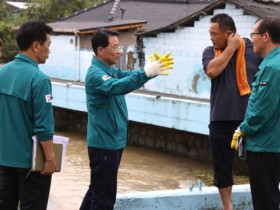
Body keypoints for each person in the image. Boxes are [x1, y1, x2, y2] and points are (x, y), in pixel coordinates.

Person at [79, 28, 173, 210]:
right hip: (104, 144)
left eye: (119, 46)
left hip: (112, 141)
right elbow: (118, 86)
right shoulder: (96, 75)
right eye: (115, 47)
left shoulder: (109, 70)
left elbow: (126, 77)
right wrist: (145, 74)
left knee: (97, 189)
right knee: (104, 197)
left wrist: (147, 71)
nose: (120, 51)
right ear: (100, 50)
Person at [202, 13, 261, 210]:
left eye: (214, 34)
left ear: (229, 33)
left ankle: (260, 202)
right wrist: (231, 48)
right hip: (221, 119)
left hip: (251, 119)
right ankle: (228, 207)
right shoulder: (210, 52)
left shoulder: (254, 50)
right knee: (222, 168)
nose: (211, 38)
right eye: (210, 33)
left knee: (258, 166)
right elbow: (212, 71)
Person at [0, 20, 57, 210]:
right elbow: (43, 127)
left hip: (3, 160)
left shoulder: (3, 72)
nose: (49, 50)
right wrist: (50, 159)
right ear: (36, 45)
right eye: (48, 45)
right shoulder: (39, 80)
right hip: (30, 164)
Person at [231, 16, 280, 210]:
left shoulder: (272, 67)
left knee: (265, 202)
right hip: (273, 144)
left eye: (254, 34)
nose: (251, 40)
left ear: (266, 36)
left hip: (265, 148)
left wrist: (243, 128)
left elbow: (262, 108)